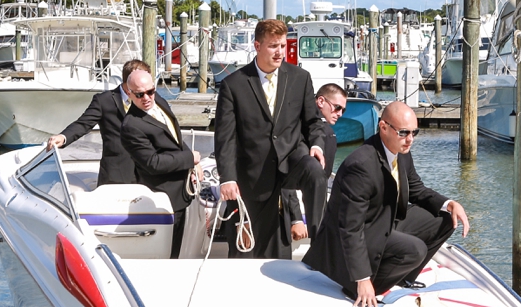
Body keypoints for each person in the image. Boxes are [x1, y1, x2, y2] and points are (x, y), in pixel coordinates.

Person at [305, 99, 469, 307]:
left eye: (414, 133)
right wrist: (361, 279)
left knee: (446, 217)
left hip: (383, 223)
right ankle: (366, 285)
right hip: (358, 237)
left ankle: (401, 277)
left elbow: (417, 190)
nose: (410, 140)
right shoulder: (360, 165)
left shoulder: (401, 154)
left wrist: (450, 204)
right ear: (383, 127)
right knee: (415, 250)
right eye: (403, 132)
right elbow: (350, 228)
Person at [48, 59, 201, 258]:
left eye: (149, 89)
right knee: (117, 230)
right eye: (138, 91)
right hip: (119, 174)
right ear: (127, 86)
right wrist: (64, 137)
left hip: (152, 178)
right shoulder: (104, 100)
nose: (146, 95)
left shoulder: (158, 102)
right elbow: (83, 124)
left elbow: (173, 138)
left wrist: (191, 163)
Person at [214, 18, 329, 257]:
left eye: (283, 46)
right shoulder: (233, 85)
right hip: (251, 179)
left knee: (315, 171)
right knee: (245, 253)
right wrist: (227, 178)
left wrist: (317, 144)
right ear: (257, 46)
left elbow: (313, 122)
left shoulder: (300, 78)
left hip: (290, 166)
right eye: (273, 46)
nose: (279, 52)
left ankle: (322, 242)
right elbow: (225, 137)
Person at [288, 81, 347, 242]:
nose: (340, 113)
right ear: (321, 101)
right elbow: (285, 169)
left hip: (313, 203)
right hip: (291, 205)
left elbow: (322, 179)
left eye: (343, 109)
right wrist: (296, 218)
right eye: (337, 107)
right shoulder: (296, 127)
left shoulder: (328, 134)